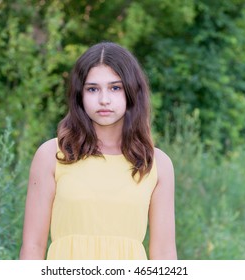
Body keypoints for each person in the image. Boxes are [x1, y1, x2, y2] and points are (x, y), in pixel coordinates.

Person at [19, 42, 177, 260]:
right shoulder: (52, 155)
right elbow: (33, 247)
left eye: (115, 88)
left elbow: (164, 254)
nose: (104, 99)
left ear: (132, 92)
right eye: (92, 89)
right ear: (79, 95)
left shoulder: (156, 163)